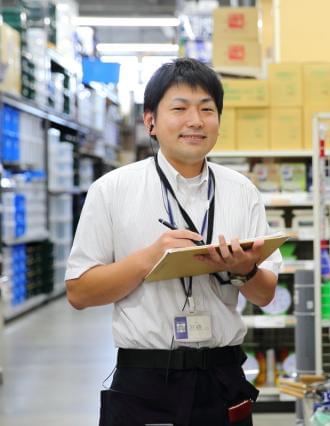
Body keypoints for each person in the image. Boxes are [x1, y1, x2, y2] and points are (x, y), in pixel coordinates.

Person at [65, 58, 282, 426]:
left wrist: (244, 269)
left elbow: (265, 295)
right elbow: (80, 293)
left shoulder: (241, 191)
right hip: (143, 383)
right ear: (150, 121)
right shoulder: (112, 190)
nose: (195, 121)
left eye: (207, 110)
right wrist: (150, 258)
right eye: (179, 108)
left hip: (223, 378)